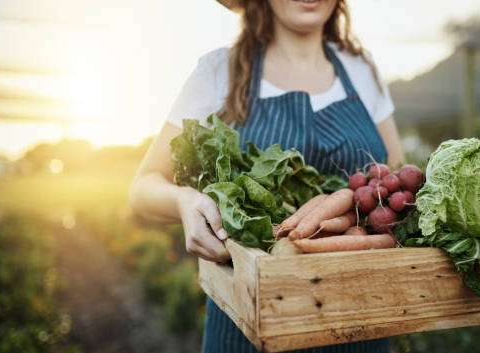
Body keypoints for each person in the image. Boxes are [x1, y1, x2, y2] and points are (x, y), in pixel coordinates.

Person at [130, 0, 405, 352]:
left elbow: (395, 173)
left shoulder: (360, 67)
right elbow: (142, 187)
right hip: (250, 322)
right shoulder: (219, 71)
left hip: (361, 317)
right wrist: (185, 201)